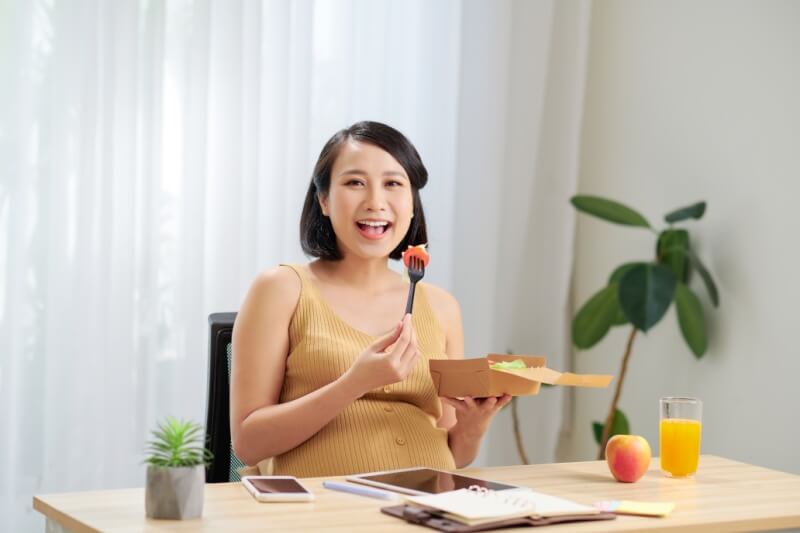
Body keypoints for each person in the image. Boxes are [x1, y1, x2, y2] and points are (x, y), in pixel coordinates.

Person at [230, 121, 511, 477]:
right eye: (354, 183)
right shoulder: (280, 289)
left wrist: (474, 424)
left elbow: (455, 454)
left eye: (393, 183)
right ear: (325, 200)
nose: (375, 202)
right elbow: (248, 444)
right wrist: (355, 383)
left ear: (412, 204)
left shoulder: (442, 307)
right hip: (323, 512)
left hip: (430, 509)